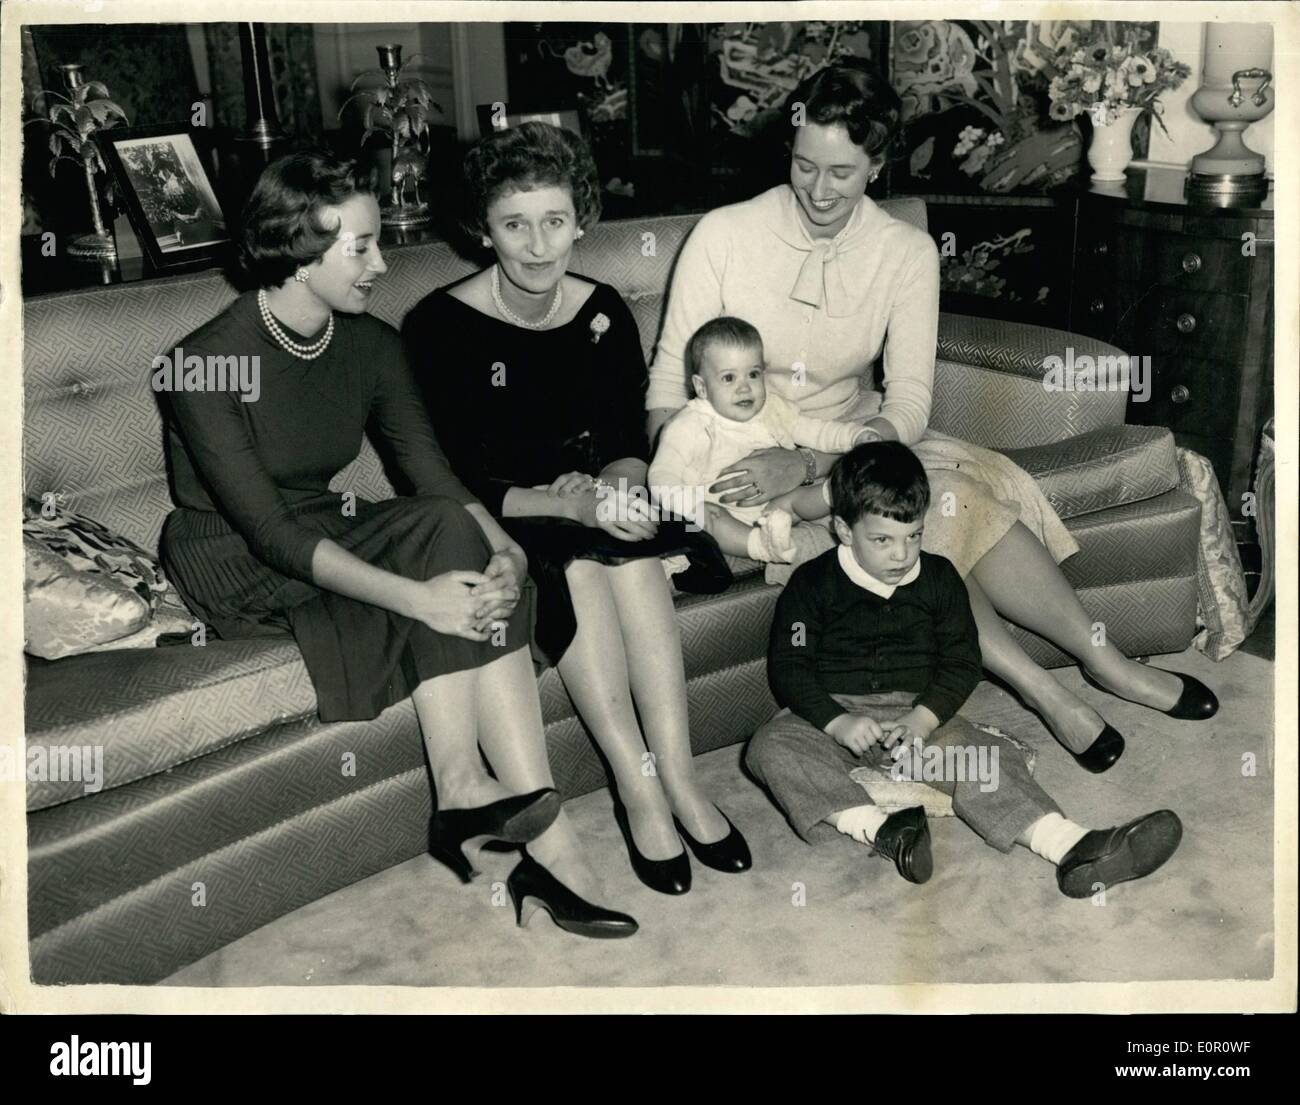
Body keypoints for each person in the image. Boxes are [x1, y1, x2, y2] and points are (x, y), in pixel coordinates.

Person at [646, 58, 1218, 775]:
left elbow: (909, 401)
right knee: (911, 522)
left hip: (850, 440)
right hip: (741, 460)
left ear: (878, 165)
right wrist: (710, 469)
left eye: (843, 173)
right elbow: (667, 393)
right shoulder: (724, 235)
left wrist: (830, 463)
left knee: (948, 499)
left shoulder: (905, 251)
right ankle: (1043, 690)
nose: (819, 191)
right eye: (804, 166)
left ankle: (1106, 661)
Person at [158, 149, 635, 940]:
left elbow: (433, 476)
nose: (384, 262)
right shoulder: (203, 364)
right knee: (433, 565)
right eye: (362, 247)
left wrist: (506, 551)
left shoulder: (371, 344)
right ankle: (535, 843)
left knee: (450, 530)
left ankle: (466, 793)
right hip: (233, 554)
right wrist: (418, 597)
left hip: (323, 522)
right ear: (298, 252)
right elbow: (271, 533)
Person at [402, 122, 751, 897]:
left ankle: (681, 782)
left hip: (599, 503)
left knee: (630, 563)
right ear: (481, 230)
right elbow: (454, 478)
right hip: (507, 515)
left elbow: (627, 438)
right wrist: (581, 509)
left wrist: (616, 488)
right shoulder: (438, 328)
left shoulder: (602, 312)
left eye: (554, 221)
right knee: (585, 565)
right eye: (514, 224)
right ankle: (636, 789)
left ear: (580, 218)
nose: (537, 245)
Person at [747, 442, 1185, 896]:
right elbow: (790, 666)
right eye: (882, 540)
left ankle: (1073, 846)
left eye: (913, 536)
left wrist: (925, 717)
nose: (901, 555)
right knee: (770, 746)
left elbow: (961, 660)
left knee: (985, 759)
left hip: (917, 715)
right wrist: (835, 721)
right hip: (832, 711)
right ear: (842, 528)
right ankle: (881, 830)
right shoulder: (811, 584)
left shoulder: (938, 579)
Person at [647, 315, 875, 563]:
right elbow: (661, 476)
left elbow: (815, 430)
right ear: (701, 387)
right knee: (708, 519)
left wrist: (855, 437)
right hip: (718, 508)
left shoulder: (773, 409)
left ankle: (840, 490)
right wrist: (689, 506)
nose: (744, 388)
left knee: (800, 498)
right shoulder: (689, 425)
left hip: (771, 505)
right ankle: (760, 546)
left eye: (753, 374)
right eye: (729, 378)